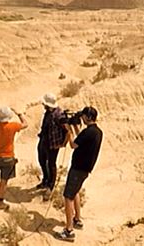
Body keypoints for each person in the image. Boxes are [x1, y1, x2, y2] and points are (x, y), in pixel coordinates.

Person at [56, 106, 103, 242]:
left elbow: (73, 145)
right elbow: (81, 139)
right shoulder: (97, 131)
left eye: (83, 116)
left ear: (88, 117)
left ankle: (69, 230)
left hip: (78, 168)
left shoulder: (88, 132)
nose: (81, 118)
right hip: (85, 168)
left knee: (67, 197)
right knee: (75, 191)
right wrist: (75, 129)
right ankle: (77, 219)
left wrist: (69, 131)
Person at [37, 93, 66, 200]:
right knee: (41, 160)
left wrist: (63, 143)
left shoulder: (59, 114)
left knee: (51, 164)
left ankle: (51, 185)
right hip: (44, 140)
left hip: (53, 144)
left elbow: (67, 130)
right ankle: (45, 179)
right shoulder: (48, 112)